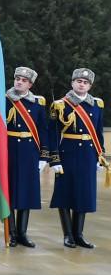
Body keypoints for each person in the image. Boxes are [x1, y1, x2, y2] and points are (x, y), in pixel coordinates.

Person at [49, 68, 106, 249]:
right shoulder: (60, 105)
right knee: (65, 194)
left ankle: (79, 234)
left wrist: (100, 155)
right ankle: (68, 235)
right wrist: (55, 159)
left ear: (90, 85)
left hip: (88, 155)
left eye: (85, 82)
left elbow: (98, 132)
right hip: (68, 154)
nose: (82, 84)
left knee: (84, 194)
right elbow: (53, 134)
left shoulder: (97, 105)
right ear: (72, 83)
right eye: (78, 81)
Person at [5, 66, 50, 247]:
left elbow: (43, 129)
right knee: (8, 192)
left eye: (24, 80)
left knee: (26, 192)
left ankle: (23, 233)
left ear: (30, 84)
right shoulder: (4, 99)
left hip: (29, 152)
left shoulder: (38, 103)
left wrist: (43, 156)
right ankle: (12, 233)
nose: (19, 82)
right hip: (8, 150)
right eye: (17, 79)